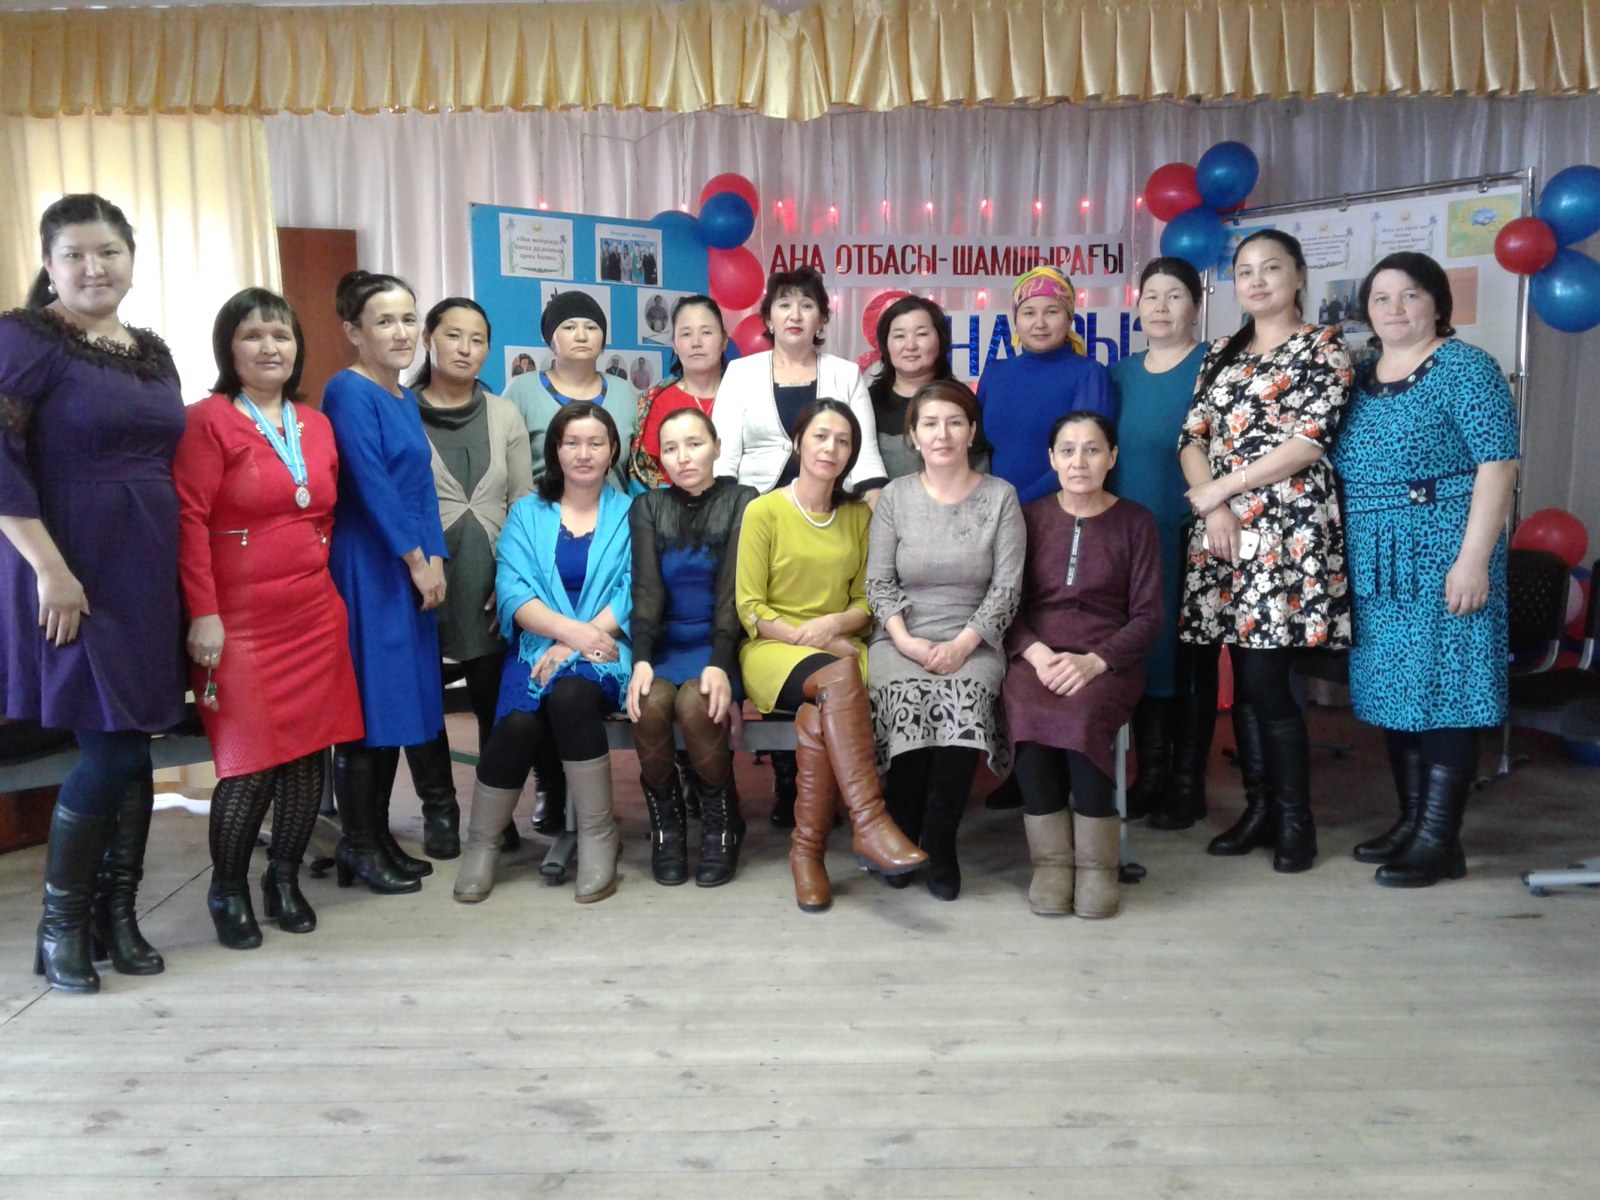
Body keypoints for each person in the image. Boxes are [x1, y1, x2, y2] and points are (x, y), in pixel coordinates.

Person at [0, 194, 185, 994]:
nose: (93, 267)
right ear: (49, 264)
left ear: (131, 259)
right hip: (69, 567)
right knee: (110, 750)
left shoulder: (151, 352)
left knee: (134, 741)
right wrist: (50, 568)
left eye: (108, 251)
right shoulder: (27, 338)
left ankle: (119, 917)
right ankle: (61, 927)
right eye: (73, 253)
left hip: (147, 566)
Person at [174, 289, 364, 948]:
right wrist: (203, 613)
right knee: (249, 762)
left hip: (312, 611)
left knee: (310, 755)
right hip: (238, 623)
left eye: (281, 335)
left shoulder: (315, 424)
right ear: (228, 348)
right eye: (252, 335)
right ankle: (227, 889)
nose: (269, 347)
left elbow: (325, 511)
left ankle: (283, 879)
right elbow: (188, 521)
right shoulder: (206, 421)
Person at [1332, 253, 1520, 887]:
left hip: (1445, 548)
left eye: (1410, 295)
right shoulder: (1358, 376)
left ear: (1438, 303)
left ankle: (1440, 839)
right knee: (1395, 690)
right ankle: (1412, 822)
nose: (1395, 309)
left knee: (1445, 691)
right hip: (1374, 556)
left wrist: (1473, 560)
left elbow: (1497, 465)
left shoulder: (1467, 368)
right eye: (1381, 298)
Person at [1179, 230, 1354, 874]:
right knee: (1242, 676)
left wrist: (1225, 488)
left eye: (1271, 268)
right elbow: (1191, 437)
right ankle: (1258, 809)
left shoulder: (1324, 346)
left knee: (1266, 679)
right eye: (1245, 270)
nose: (1256, 281)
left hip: (1285, 530)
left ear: (1299, 275)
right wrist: (1213, 505)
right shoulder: (1221, 352)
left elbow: (1310, 441)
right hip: (1222, 528)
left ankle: (1294, 820)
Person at [715, 267, 890, 830]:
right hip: (757, 517)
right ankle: (836, 802)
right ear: (767, 316)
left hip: (831, 512)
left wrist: (876, 524)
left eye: (807, 304)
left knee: (843, 665)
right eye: (784, 303)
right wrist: (737, 523)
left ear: (821, 318)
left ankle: (807, 793)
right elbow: (724, 458)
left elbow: (863, 454)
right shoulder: (740, 372)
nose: (795, 313)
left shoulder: (844, 373)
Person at [735, 399, 926, 913]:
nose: (831, 448)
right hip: (775, 649)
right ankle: (870, 820)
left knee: (821, 715)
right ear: (798, 441)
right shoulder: (763, 510)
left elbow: (867, 601)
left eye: (843, 441)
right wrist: (814, 637)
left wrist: (834, 627)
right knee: (838, 681)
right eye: (821, 436)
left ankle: (807, 855)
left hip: (840, 649)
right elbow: (750, 606)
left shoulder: (858, 516)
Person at [453, 402, 632, 905]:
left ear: (612, 451)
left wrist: (578, 640)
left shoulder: (630, 513)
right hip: (538, 647)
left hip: (604, 646)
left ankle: (598, 836)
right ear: (555, 450)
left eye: (595, 443)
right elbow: (512, 590)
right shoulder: (527, 514)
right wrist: (565, 635)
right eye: (571, 442)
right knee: (517, 723)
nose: (583, 453)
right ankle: (482, 845)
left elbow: (633, 590)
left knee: (572, 697)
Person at [866, 380, 1024, 900]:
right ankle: (901, 829)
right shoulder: (895, 496)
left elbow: (1006, 588)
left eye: (955, 423)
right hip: (901, 637)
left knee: (965, 699)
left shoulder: (1000, 497)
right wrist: (906, 642)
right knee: (905, 697)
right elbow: (878, 583)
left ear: (971, 431)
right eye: (930, 424)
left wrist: (962, 645)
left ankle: (939, 839)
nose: (943, 434)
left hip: (974, 637)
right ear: (912, 435)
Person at [1006, 412, 1162, 919]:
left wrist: (1096, 662)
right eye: (1068, 450)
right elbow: (1006, 604)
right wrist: (1035, 653)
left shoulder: (1136, 522)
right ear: (1051, 459)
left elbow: (1148, 616)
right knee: (1023, 705)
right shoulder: (1027, 518)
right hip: (1037, 656)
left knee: (1083, 712)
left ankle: (1097, 866)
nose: (1079, 461)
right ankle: (1051, 862)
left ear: (1112, 458)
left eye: (1092, 449)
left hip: (1108, 661)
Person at [321, 270, 448, 895]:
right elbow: (370, 485)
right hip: (371, 565)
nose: (401, 333)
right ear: (353, 332)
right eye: (384, 322)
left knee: (399, 705)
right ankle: (358, 843)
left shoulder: (402, 395)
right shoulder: (347, 391)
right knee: (370, 708)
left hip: (409, 563)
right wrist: (415, 559)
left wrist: (437, 556)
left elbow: (421, 487)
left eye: (408, 319)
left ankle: (375, 837)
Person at [403, 298, 536, 860]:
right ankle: (439, 809)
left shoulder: (504, 414)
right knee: (422, 701)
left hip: (489, 580)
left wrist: (512, 584)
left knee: (493, 702)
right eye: (453, 335)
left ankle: (492, 812)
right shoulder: (399, 410)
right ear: (428, 339)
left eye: (477, 339)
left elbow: (523, 504)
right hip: (416, 579)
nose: (465, 348)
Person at [1109, 258, 1220, 830]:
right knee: (1146, 653)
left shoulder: (1216, 365)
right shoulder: (1119, 375)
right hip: (1133, 538)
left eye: (1174, 296)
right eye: (1150, 295)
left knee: (1192, 656)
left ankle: (1187, 784)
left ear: (1195, 307)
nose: (1160, 307)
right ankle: (1149, 776)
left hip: (1197, 533)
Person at [627, 408, 757, 886]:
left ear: (717, 447)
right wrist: (642, 658)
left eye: (694, 444)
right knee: (648, 703)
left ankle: (722, 823)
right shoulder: (648, 506)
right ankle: (668, 827)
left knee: (697, 704)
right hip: (666, 645)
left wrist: (721, 663)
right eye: (671, 448)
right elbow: (646, 589)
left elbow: (733, 592)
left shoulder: (743, 500)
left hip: (722, 643)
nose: (683, 457)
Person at [976, 265, 1116, 505]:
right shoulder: (994, 373)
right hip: (994, 511)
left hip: (1061, 511)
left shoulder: (1090, 374)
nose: (1040, 323)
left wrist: (1017, 505)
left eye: (1051, 312)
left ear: (1069, 317)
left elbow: (1084, 458)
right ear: (1015, 319)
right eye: (1029, 313)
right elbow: (978, 449)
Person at [503, 290, 638, 493]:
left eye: (591, 327)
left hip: (615, 510)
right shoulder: (522, 390)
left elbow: (636, 468)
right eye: (569, 327)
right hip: (541, 510)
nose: (581, 336)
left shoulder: (623, 391)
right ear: (551, 339)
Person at [630, 295, 729, 489]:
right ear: (674, 345)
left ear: (724, 340)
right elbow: (645, 474)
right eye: (686, 334)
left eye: (706, 332)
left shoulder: (747, 392)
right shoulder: (655, 400)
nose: (696, 342)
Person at [867, 296, 958, 480]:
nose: (910, 345)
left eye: (921, 334)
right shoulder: (867, 402)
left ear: (941, 339)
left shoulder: (960, 400)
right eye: (899, 336)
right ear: (885, 345)